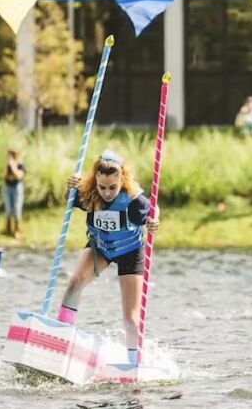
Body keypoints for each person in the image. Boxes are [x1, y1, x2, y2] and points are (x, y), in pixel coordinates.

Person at [57, 150, 160, 365]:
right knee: (74, 283)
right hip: (100, 248)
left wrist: (154, 220)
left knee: (131, 319)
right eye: (102, 187)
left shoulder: (134, 202)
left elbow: (153, 208)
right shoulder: (90, 194)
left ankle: (134, 363)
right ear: (95, 181)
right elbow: (70, 199)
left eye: (112, 187)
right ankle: (60, 338)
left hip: (130, 252)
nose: (107, 193)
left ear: (122, 180)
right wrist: (70, 188)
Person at [3, 148, 25, 238]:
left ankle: (17, 230)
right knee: (8, 209)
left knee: (17, 208)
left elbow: (19, 176)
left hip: (17, 188)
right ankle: (8, 229)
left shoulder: (20, 164)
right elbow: (3, 176)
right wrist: (6, 166)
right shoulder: (7, 165)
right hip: (7, 187)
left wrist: (13, 166)